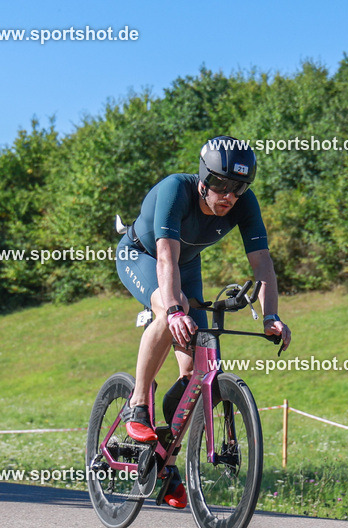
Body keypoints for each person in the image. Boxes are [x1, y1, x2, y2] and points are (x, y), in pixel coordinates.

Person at [114, 136, 292, 508]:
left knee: (200, 374)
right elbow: (165, 255)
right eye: (220, 184)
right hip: (143, 254)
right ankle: (137, 403)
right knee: (168, 309)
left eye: (238, 187)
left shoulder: (244, 204)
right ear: (203, 178)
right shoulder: (174, 191)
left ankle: (165, 464)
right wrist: (176, 309)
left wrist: (271, 316)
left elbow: (262, 264)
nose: (228, 195)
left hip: (187, 264)